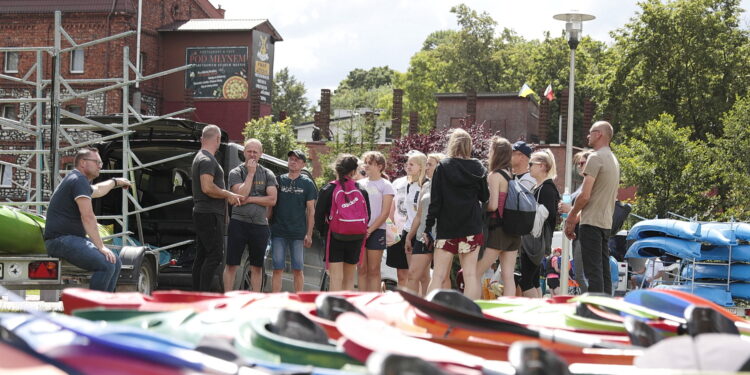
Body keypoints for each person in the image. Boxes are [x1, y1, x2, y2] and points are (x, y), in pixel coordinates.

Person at [44, 148, 128, 291]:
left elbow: (98, 190)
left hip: (69, 239)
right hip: (60, 240)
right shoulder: (78, 180)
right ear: (83, 163)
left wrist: (116, 182)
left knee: (116, 262)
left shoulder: (77, 180)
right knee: (106, 264)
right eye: (97, 162)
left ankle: (105, 306)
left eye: (101, 162)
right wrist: (101, 247)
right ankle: (93, 310)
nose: (100, 165)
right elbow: (88, 216)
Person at [424, 128, 489, 299]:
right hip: (472, 226)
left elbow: (435, 202)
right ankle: (469, 315)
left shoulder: (443, 167)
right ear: (469, 145)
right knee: (470, 275)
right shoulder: (478, 167)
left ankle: (430, 313)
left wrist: (428, 227)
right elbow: (485, 196)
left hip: (448, 227)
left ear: (452, 144)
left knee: (437, 275)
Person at [564, 121, 621, 294]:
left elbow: (585, 195)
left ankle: (595, 313)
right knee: (603, 273)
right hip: (605, 224)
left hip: (591, 224)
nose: (588, 136)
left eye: (590, 132)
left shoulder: (595, 158)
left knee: (593, 273)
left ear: (599, 134)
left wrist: (571, 217)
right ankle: (606, 309)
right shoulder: (613, 159)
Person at [191, 125, 243, 292]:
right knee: (215, 255)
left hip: (204, 212)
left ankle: (197, 294)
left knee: (202, 255)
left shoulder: (200, 157)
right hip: (209, 213)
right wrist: (228, 194)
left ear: (202, 139)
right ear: (218, 139)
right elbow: (207, 187)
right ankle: (203, 294)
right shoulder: (206, 160)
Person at [224, 139, 278, 292]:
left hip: (260, 225)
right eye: (249, 151)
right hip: (238, 223)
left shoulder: (268, 174)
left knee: (257, 266)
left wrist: (250, 199)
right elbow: (240, 194)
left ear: (261, 154)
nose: (252, 155)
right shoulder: (236, 172)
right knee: (232, 264)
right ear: (244, 152)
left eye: (255, 152)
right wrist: (251, 174)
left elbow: (272, 199)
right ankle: (227, 297)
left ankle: (255, 298)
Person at [315, 154, 371, 291]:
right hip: (356, 237)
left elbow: (318, 215)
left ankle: (335, 310)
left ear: (336, 169)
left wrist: (323, 232)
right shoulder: (361, 189)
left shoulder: (328, 189)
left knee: (336, 278)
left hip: (335, 236)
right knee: (350, 278)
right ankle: (346, 308)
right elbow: (367, 214)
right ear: (354, 171)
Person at [477, 136, 519, 297]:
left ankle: (475, 311)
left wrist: (479, 207)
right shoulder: (510, 174)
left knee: (474, 273)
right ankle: (508, 312)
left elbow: (493, 205)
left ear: (496, 153)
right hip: (513, 231)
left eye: (490, 150)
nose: (488, 153)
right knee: (508, 276)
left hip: (497, 231)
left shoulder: (495, 175)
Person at [270, 150, 316, 292]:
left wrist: (309, 234)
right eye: (291, 159)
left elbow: (311, 211)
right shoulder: (279, 180)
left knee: (298, 269)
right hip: (278, 231)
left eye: (297, 159)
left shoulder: (307, 183)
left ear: (303, 164)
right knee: (277, 268)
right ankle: (274, 301)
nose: (293, 161)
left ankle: (299, 300)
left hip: (298, 233)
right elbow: (271, 204)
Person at [518, 149, 560, 298]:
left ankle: (534, 313)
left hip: (535, 241)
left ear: (542, 166)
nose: (529, 167)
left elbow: (548, 216)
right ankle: (537, 309)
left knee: (526, 281)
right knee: (534, 280)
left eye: (531, 164)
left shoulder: (546, 189)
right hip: (536, 241)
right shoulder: (542, 187)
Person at [405, 152, 445, 295]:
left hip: (442, 236)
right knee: (413, 274)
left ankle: (443, 311)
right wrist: (409, 237)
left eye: (430, 164)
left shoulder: (447, 186)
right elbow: (419, 215)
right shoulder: (426, 186)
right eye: (426, 164)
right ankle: (413, 309)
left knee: (443, 278)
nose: (426, 168)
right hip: (424, 236)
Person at [357, 151, 394, 292]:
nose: (366, 166)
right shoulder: (359, 184)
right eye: (365, 162)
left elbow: (385, 213)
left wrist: (370, 230)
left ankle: (374, 302)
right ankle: (361, 302)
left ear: (380, 166)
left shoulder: (386, 185)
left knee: (373, 270)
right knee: (361, 269)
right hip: (359, 231)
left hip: (377, 231)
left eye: (370, 163)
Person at [387, 151, 426, 288]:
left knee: (416, 274)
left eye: (412, 164)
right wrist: (391, 230)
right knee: (401, 274)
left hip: (417, 232)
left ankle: (417, 301)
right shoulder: (398, 182)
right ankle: (403, 300)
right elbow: (391, 208)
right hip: (398, 232)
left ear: (421, 166)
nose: (408, 166)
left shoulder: (424, 185)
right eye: (407, 163)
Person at [558, 150, 593, 293]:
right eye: (578, 164)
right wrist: (565, 209)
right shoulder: (582, 184)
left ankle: (593, 302)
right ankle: (592, 302)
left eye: (583, 163)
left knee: (582, 274)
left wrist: (570, 209)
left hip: (585, 233)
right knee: (580, 274)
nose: (580, 166)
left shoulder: (590, 184)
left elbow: (587, 209)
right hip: (577, 233)